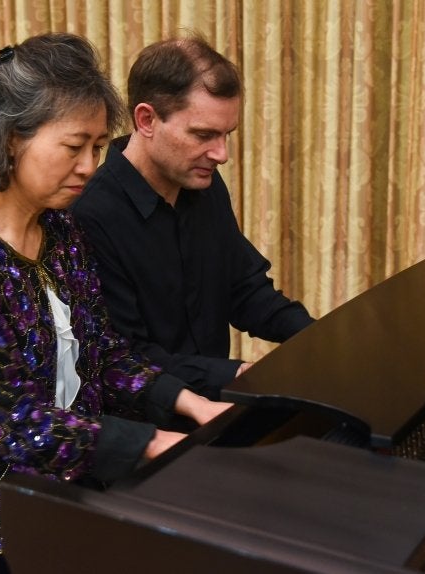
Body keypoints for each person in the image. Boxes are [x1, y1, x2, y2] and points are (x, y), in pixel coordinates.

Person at [0, 32, 230, 573]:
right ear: (9, 140)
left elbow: (104, 352)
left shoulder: (61, 231)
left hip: (58, 488)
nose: (91, 166)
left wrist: (195, 404)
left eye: (98, 147)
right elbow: (14, 421)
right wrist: (150, 442)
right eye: (75, 147)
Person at [71, 34, 314, 400]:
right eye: (204, 135)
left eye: (226, 135)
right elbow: (125, 358)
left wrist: (319, 338)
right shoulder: (91, 215)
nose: (221, 154)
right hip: (148, 427)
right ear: (147, 119)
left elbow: (245, 291)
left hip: (216, 406)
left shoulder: (205, 186)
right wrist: (243, 374)